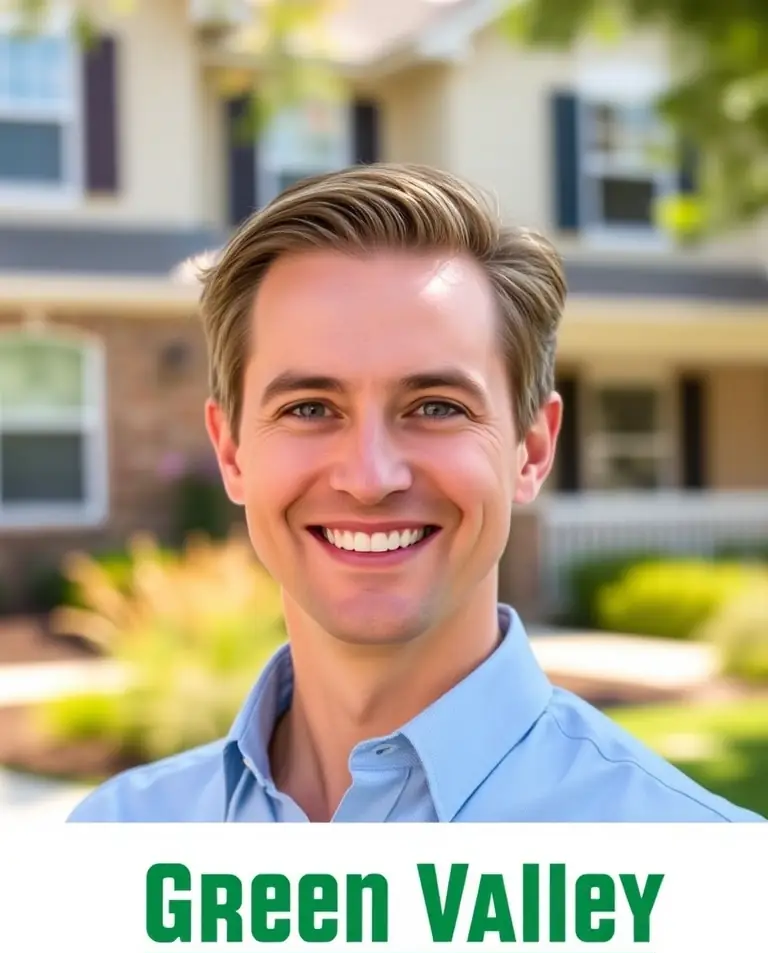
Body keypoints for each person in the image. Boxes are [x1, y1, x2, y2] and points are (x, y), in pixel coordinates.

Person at [68, 163, 762, 824]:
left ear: (533, 449)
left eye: (435, 407)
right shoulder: (114, 850)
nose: (370, 478)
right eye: (310, 408)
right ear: (232, 452)